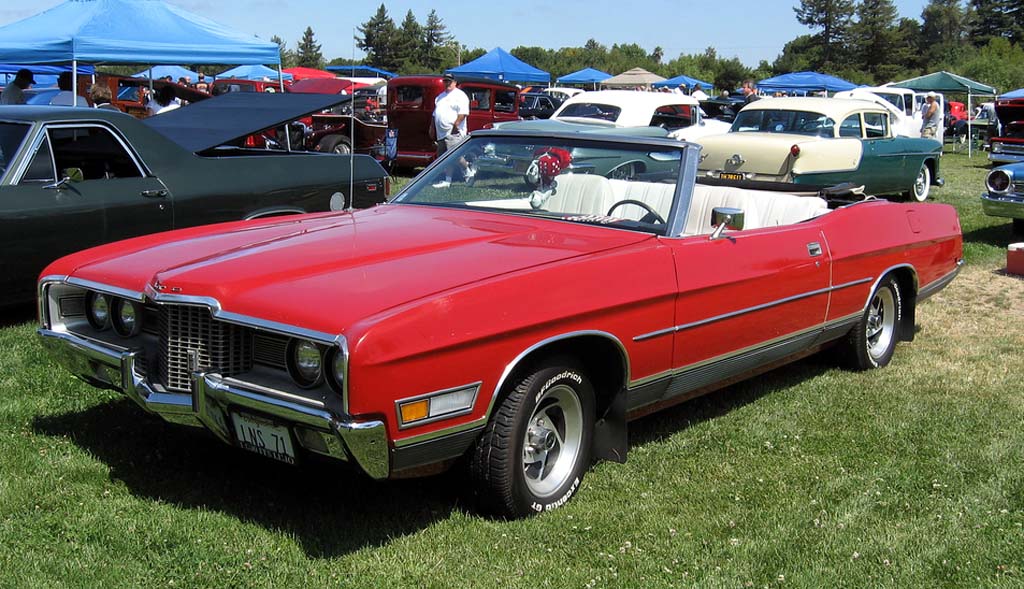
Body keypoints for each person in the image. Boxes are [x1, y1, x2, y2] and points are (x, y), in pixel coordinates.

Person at [430, 73, 473, 188]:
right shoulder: (439, 97)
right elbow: (435, 114)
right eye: (445, 81)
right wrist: (432, 127)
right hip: (441, 133)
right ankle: (447, 181)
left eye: (449, 81)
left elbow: (463, 113)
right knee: (445, 158)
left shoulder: (460, 95)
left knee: (456, 156)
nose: (447, 83)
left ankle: (468, 171)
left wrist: (456, 125)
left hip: (454, 132)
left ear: (455, 82)